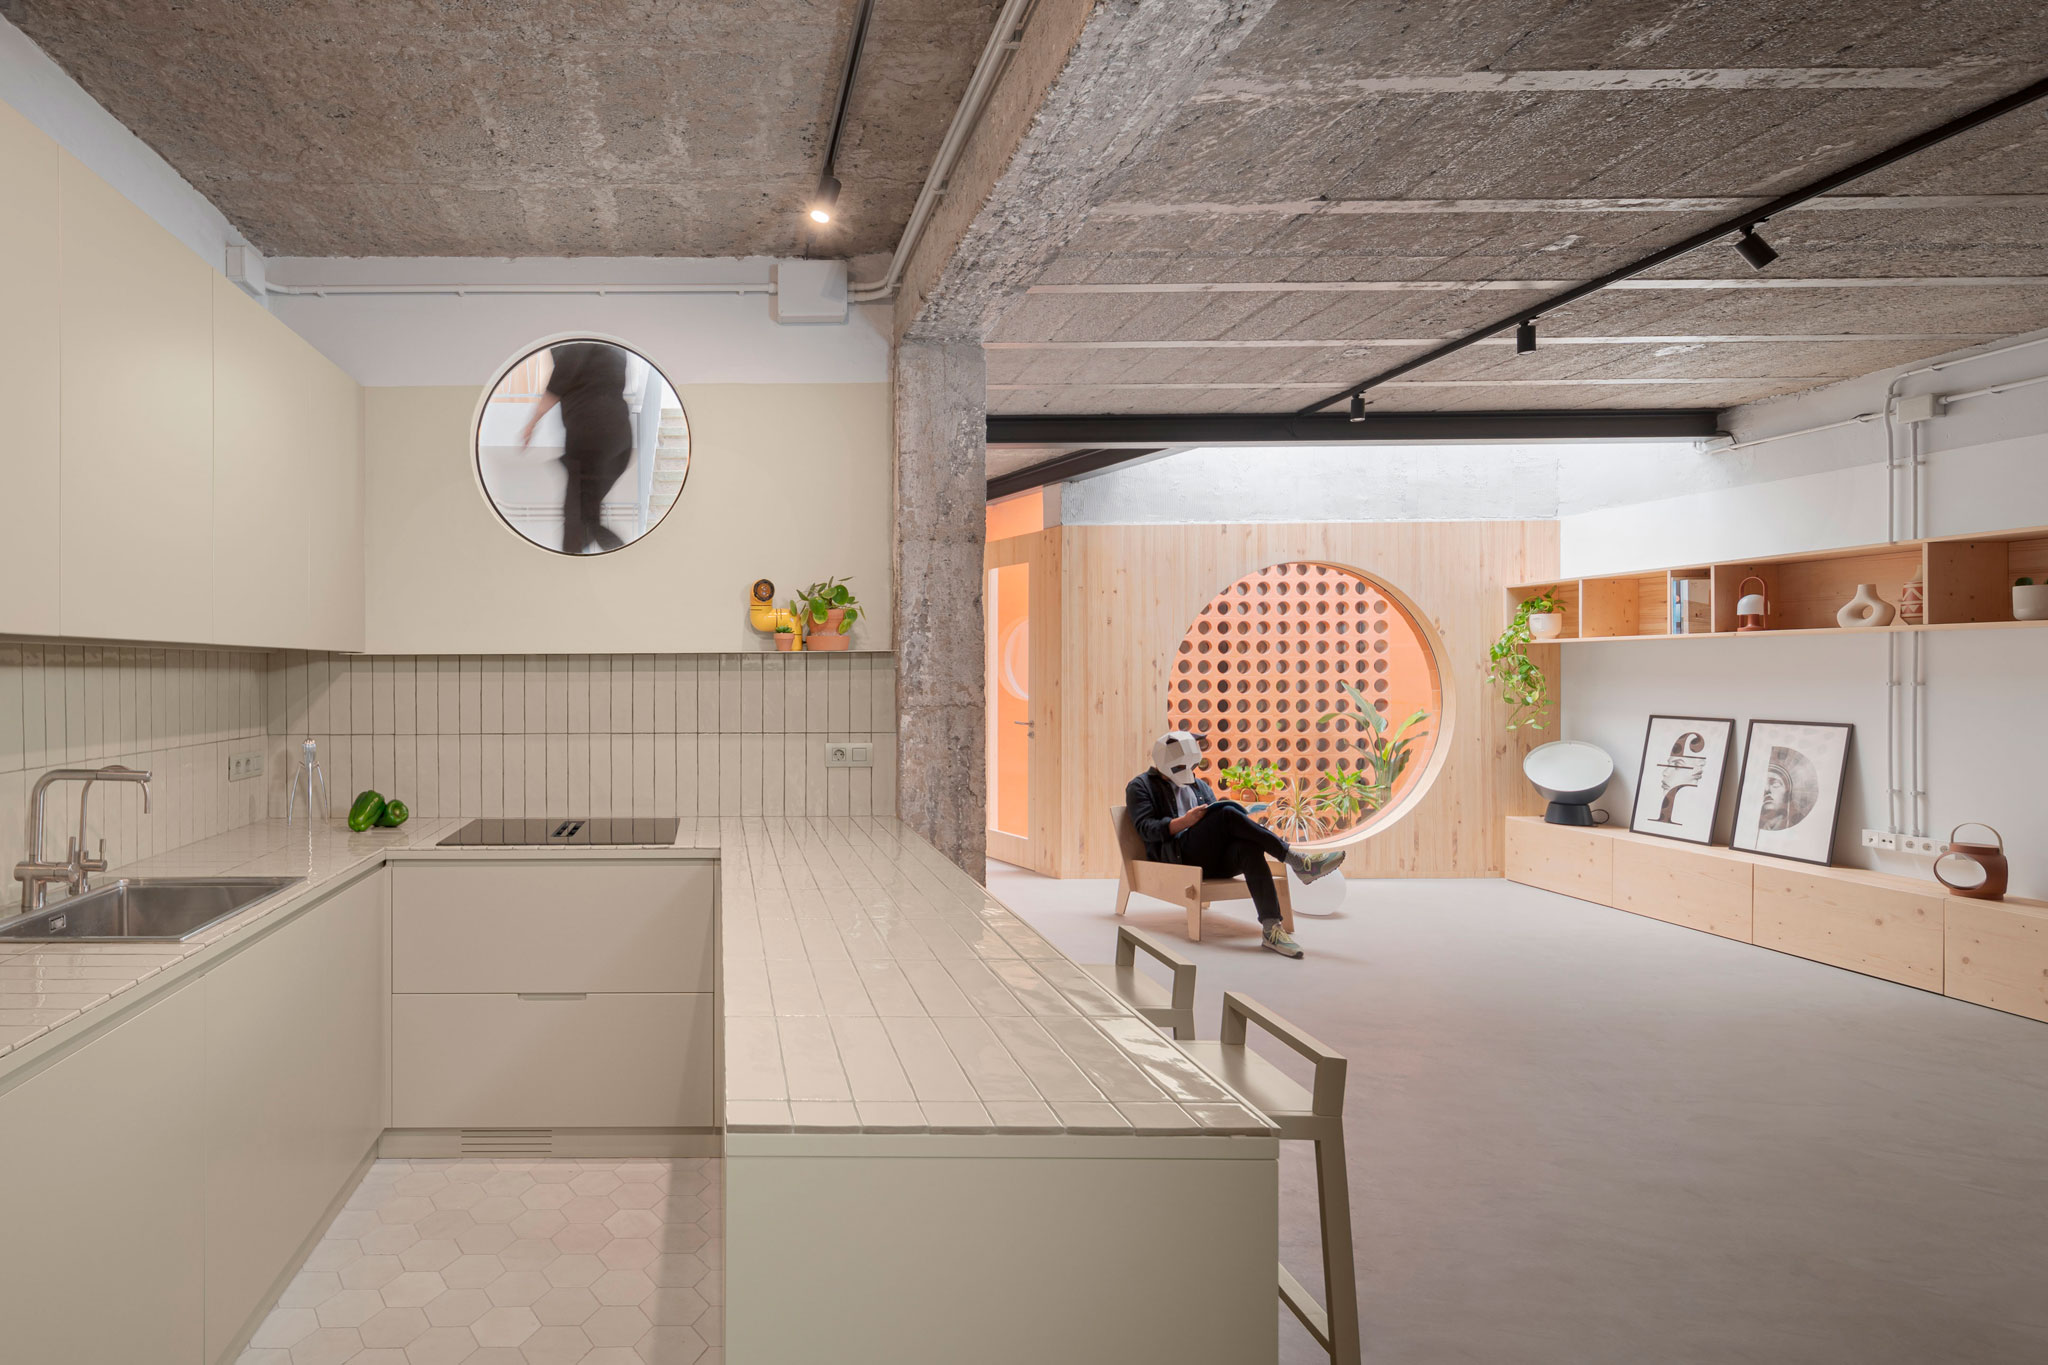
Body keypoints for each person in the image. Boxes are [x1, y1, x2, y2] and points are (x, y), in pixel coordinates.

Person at [1125, 731, 1343, 958]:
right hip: (1179, 857)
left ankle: (1271, 929)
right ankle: (1297, 861)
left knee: (1249, 847)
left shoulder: (1199, 786)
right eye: (1182, 767)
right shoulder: (1140, 786)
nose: (1189, 772)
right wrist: (1185, 822)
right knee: (1227, 814)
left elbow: (1217, 825)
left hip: (1211, 859)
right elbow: (1146, 829)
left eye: (1193, 765)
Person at [519, 341, 635, 554]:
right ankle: (591, 538)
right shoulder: (615, 350)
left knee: (576, 511)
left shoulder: (575, 345)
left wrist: (532, 422)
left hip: (590, 431)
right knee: (586, 506)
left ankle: (583, 548)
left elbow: (559, 380)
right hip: (621, 439)